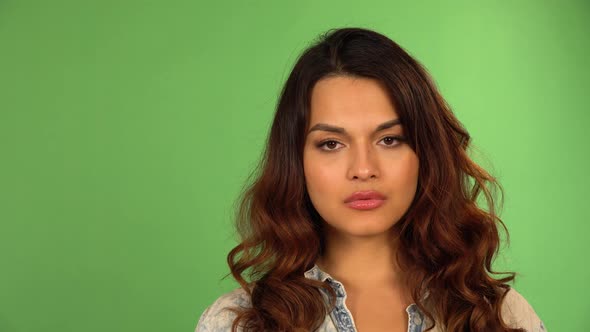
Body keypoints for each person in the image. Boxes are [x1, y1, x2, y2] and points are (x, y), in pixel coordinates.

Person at [195, 27, 547, 332]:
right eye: (331, 144)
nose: (363, 169)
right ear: (296, 160)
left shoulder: (501, 315)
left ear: (425, 152)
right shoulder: (238, 322)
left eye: (389, 139)